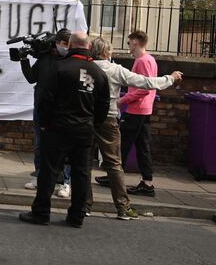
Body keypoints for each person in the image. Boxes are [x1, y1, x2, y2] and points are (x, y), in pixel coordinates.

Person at [19, 31, 109, 228]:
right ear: (88, 47)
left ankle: (41, 212)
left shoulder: (59, 68)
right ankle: (77, 216)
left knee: (49, 171)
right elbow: (103, 106)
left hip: (57, 128)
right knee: (81, 173)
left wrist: (44, 122)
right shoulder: (99, 73)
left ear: (71, 45)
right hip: (84, 130)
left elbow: (45, 98)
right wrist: (94, 124)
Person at [87, 37, 182, 219]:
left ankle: (84, 205)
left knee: (84, 163)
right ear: (108, 52)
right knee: (114, 164)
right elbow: (146, 83)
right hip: (108, 119)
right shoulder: (115, 70)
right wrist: (170, 78)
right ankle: (123, 207)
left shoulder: (85, 68)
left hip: (85, 119)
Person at [99, 31, 160, 197]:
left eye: (128, 43)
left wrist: (122, 100)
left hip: (136, 109)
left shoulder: (143, 61)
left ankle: (114, 177)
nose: (128, 47)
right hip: (143, 109)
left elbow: (145, 88)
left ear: (135, 42)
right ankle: (147, 183)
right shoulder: (149, 60)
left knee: (121, 144)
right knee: (142, 147)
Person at [20, 29, 72, 197]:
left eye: (67, 44)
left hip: (60, 110)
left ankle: (66, 182)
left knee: (64, 147)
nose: (64, 47)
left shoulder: (69, 61)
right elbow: (31, 77)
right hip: (41, 107)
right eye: (62, 43)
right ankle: (39, 176)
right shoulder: (44, 58)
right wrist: (23, 59)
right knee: (39, 145)